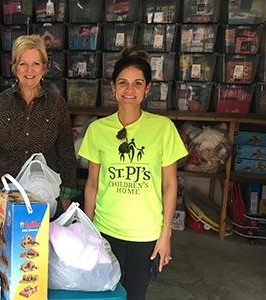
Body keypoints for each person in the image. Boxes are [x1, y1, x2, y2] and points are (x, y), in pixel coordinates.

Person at [78, 47, 188, 300]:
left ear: (147, 88)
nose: (130, 90)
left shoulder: (163, 129)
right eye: (123, 83)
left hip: (146, 235)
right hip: (105, 230)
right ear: (113, 87)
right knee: (105, 293)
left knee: (135, 295)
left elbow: (170, 185)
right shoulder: (97, 130)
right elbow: (92, 183)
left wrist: (166, 234)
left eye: (137, 83)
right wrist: (88, 230)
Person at [0, 34, 79, 211]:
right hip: (4, 194)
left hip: (44, 196)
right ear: (15, 67)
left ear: (44, 68)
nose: (29, 70)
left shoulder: (56, 104)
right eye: (23, 64)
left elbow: (66, 153)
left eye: (36, 64)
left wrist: (66, 196)